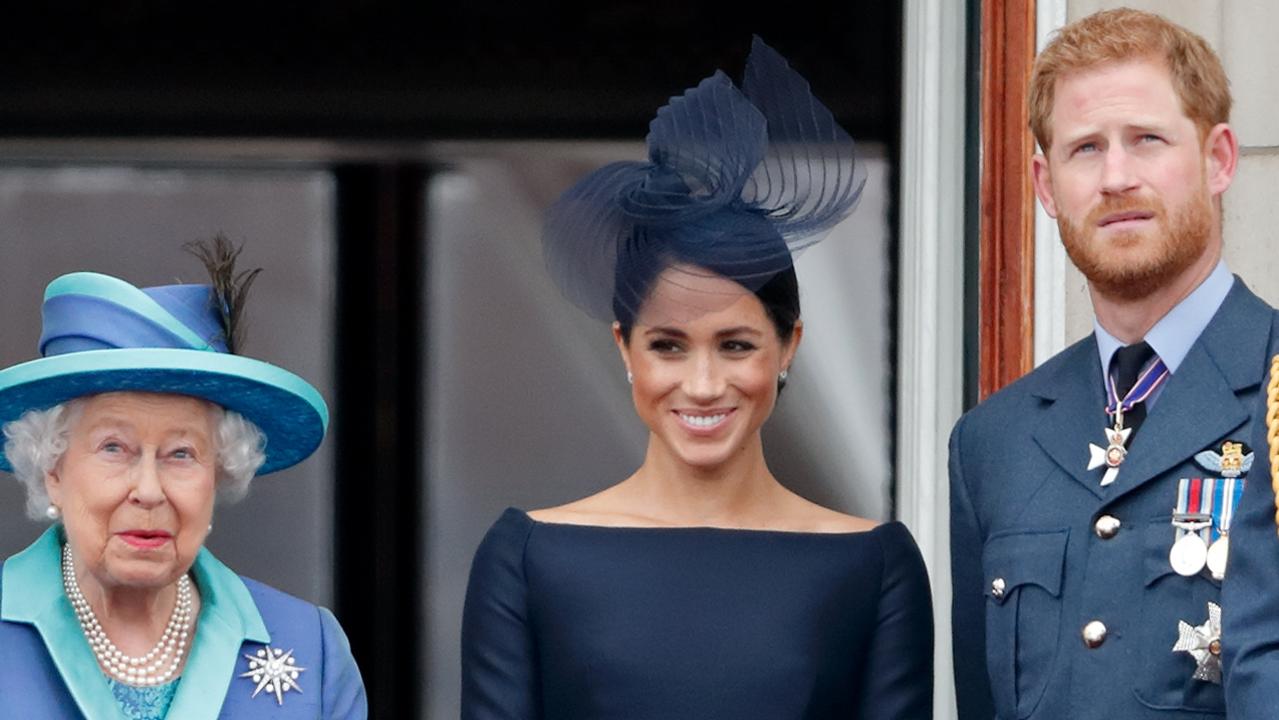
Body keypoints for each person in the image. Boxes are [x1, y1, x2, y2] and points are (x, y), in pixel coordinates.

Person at [461, 38, 933, 720]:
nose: (704, 384)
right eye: (669, 346)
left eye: (735, 344)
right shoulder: (530, 558)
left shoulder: (870, 565)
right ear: (625, 348)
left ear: (787, 345)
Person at [949, 8, 1276, 719]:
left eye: (1146, 140)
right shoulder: (991, 444)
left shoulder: (1274, 390)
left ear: (1218, 159)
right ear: (1043, 184)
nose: (1115, 176)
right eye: (1085, 148)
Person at [0, 238, 367, 719]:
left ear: (219, 473)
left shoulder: (309, 646)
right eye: (114, 448)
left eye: (181, 454)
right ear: (53, 471)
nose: (149, 491)